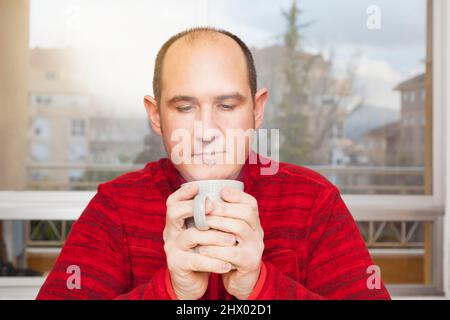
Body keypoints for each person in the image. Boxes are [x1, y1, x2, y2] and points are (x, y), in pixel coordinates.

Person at [36, 27, 390, 300]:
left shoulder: (314, 202)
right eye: (185, 107)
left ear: (257, 109)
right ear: (156, 115)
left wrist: (261, 284)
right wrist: (171, 291)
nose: (206, 131)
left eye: (226, 105)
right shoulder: (116, 207)